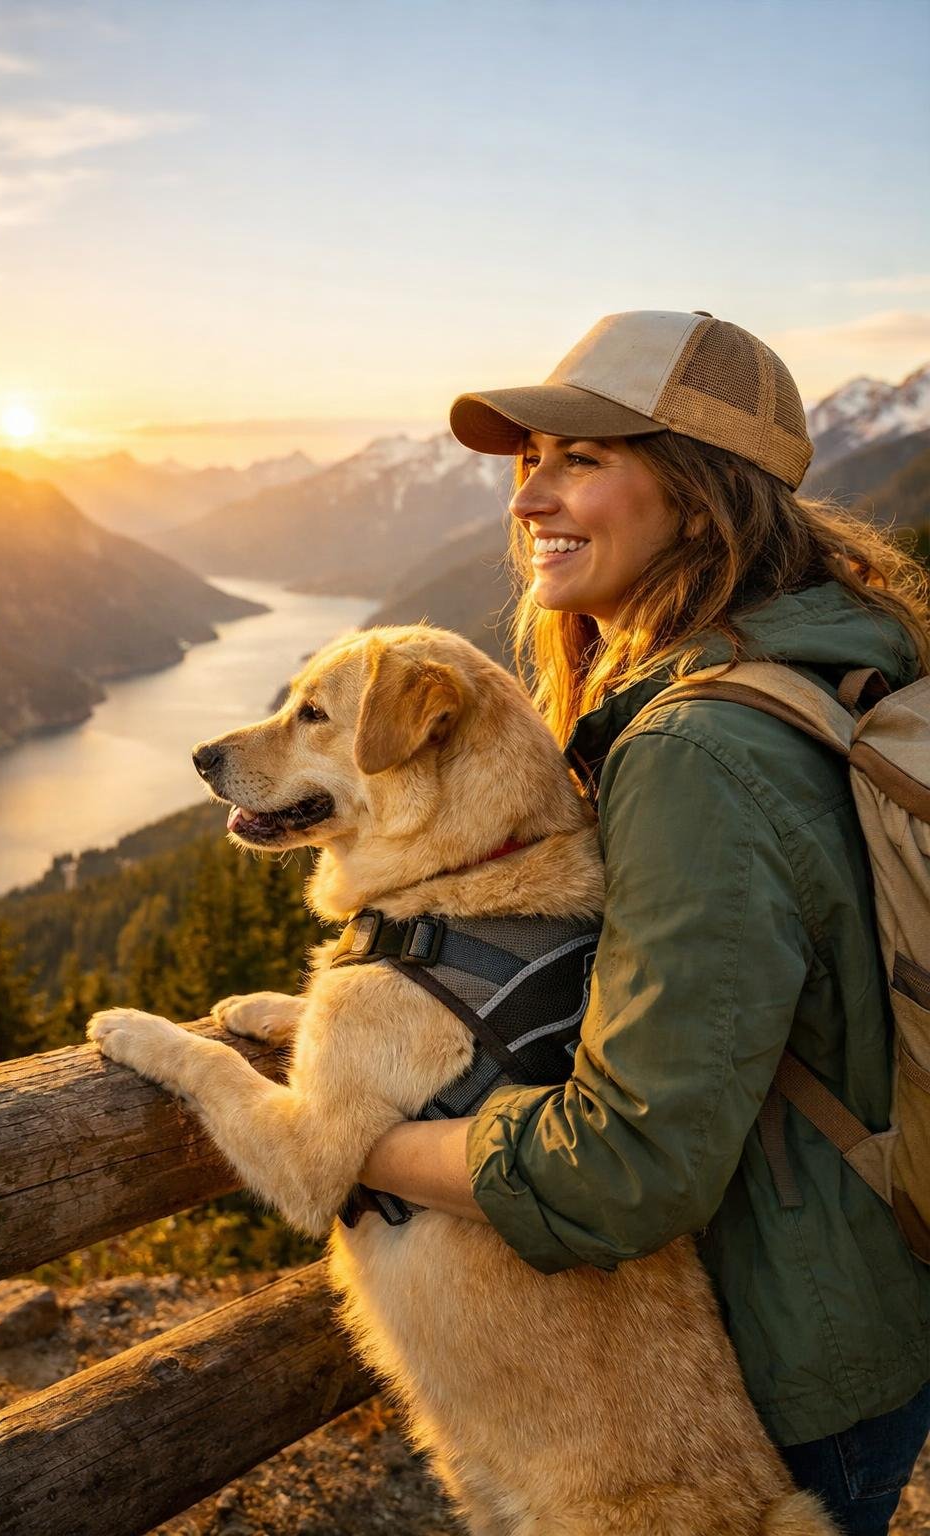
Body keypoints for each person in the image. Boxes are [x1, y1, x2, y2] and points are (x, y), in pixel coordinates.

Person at [357, 309, 930, 1533]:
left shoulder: (697, 747)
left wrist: (349, 1144)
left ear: (701, 495)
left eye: (581, 459)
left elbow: (629, 1164)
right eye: (529, 464)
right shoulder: (839, 663)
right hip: (860, 1298)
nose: (529, 502)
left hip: (763, 1378)